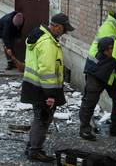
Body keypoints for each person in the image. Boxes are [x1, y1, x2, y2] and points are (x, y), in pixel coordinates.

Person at [21, 13, 74, 162]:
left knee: (39, 118)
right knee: (43, 120)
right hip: (43, 89)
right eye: (64, 29)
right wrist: (50, 95)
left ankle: (31, 146)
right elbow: (47, 71)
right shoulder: (47, 43)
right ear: (56, 27)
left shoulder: (39, 36)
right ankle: (34, 151)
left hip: (34, 86)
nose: (65, 33)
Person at [79, 37, 116, 141]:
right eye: (109, 49)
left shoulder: (114, 55)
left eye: (112, 48)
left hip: (109, 77)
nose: (112, 51)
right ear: (103, 50)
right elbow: (92, 69)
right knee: (89, 102)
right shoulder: (97, 58)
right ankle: (84, 130)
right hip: (95, 77)